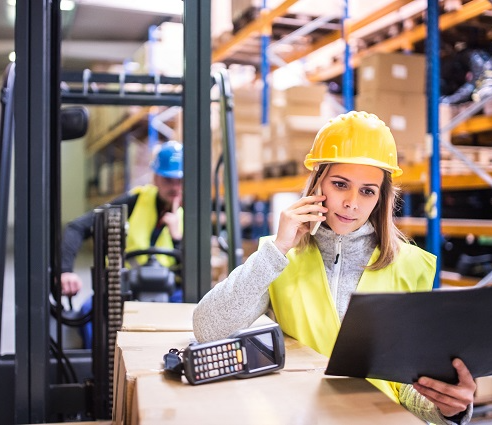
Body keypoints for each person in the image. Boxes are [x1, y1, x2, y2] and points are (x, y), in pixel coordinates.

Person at [193, 112, 476, 424]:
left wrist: (445, 407)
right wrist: (277, 250)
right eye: (341, 184)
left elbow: (407, 388)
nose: (352, 203)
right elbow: (208, 329)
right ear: (317, 183)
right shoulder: (279, 259)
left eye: (367, 190)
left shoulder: (409, 266)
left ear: (380, 198)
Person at [60, 139, 184, 298]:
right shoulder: (136, 200)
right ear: (156, 178)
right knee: (87, 313)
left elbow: (193, 272)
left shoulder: (192, 215)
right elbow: (77, 227)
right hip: (126, 289)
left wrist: (177, 239)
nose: (175, 187)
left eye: (179, 181)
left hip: (169, 292)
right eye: (168, 180)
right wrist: (65, 271)